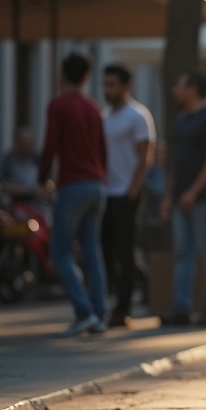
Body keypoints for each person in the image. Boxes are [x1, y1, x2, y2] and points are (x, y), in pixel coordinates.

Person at [39, 53, 109, 337]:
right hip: (97, 184)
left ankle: (84, 311)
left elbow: (50, 145)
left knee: (60, 251)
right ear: (87, 78)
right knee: (93, 251)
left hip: (73, 183)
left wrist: (42, 177)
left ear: (62, 75)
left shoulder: (59, 106)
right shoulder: (94, 108)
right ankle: (99, 314)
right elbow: (103, 150)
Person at [160, 69, 206, 328]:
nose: (175, 90)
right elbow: (176, 164)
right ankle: (181, 309)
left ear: (193, 89)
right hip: (183, 200)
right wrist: (170, 196)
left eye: (179, 84)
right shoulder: (182, 119)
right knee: (184, 253)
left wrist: (193, 191)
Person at [99, 64, 156, 328]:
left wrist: (134, 189)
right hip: (105, 192)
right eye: (105, 84)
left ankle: (123, 309)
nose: (107, 90)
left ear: (126, 86)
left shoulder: (138, 115)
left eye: (112, 84)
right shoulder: (104, 116)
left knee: (124, 249)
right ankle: (138, 285)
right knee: (106, 248)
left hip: (126, 191)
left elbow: (145, 155)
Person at [1, 126, 46, 209]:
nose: (26, 147)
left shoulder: (38, 160)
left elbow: (47, 186)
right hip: (12, 205)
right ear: (16, 143)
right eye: (23, 143)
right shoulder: (7, 161)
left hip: (36, 206)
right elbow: (4, 185)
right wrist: (29, 191)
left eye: (29, 143)